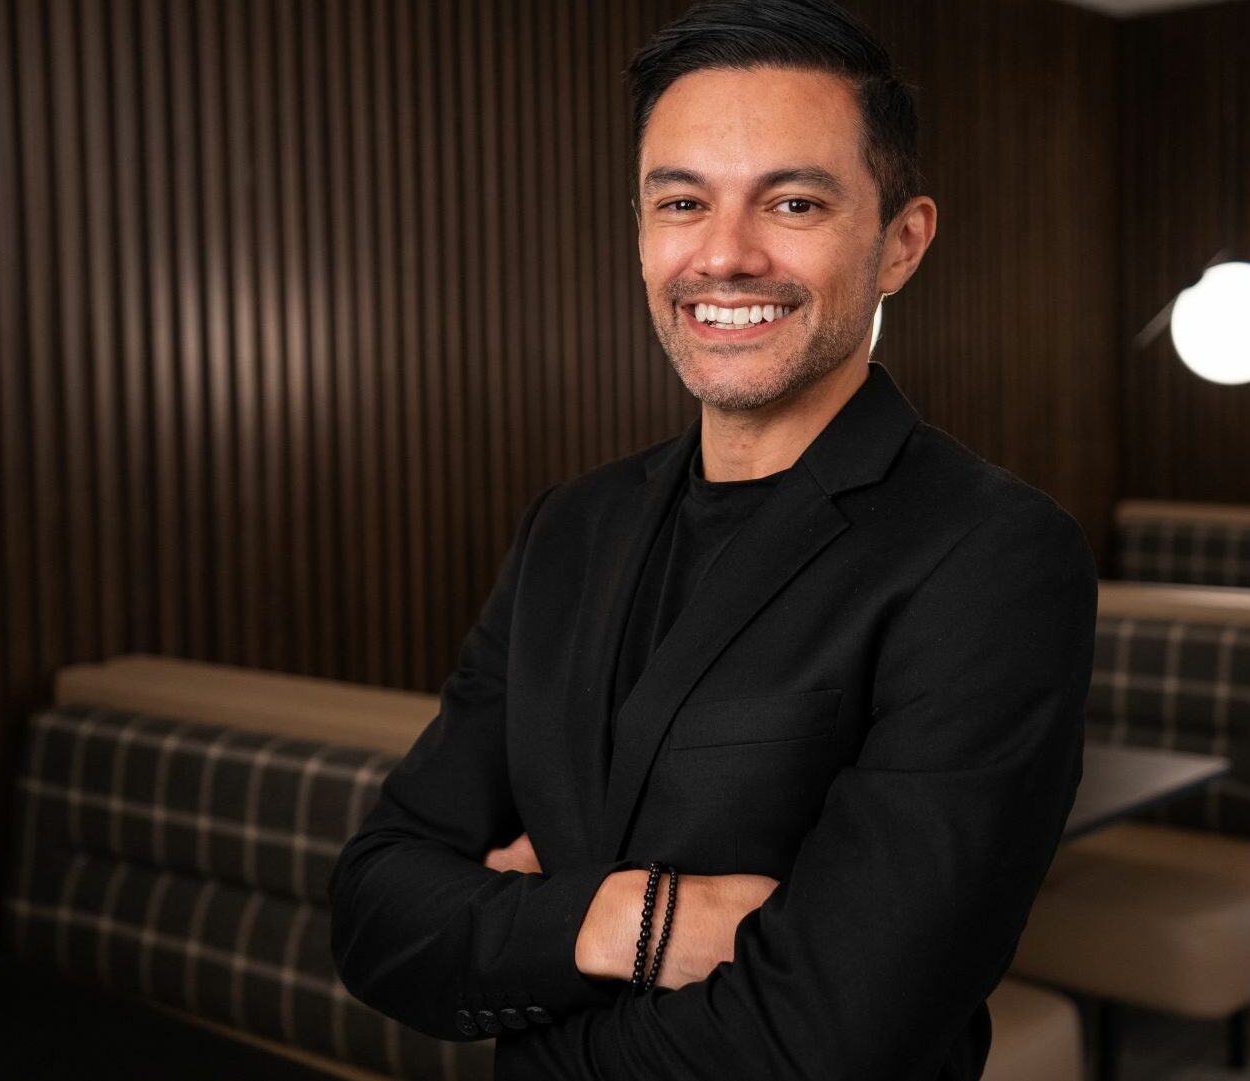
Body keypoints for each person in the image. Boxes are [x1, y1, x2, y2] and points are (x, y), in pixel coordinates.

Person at [326, 1, 1098, 1077]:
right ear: (642, 230)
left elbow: (829, 1033)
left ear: (900, 244)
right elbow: (375, 909)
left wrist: (525, 938)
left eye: (793, 201)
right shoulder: (570, 527)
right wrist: (628, 920)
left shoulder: (994, 556)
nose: (725, 257)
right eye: (681, 202)